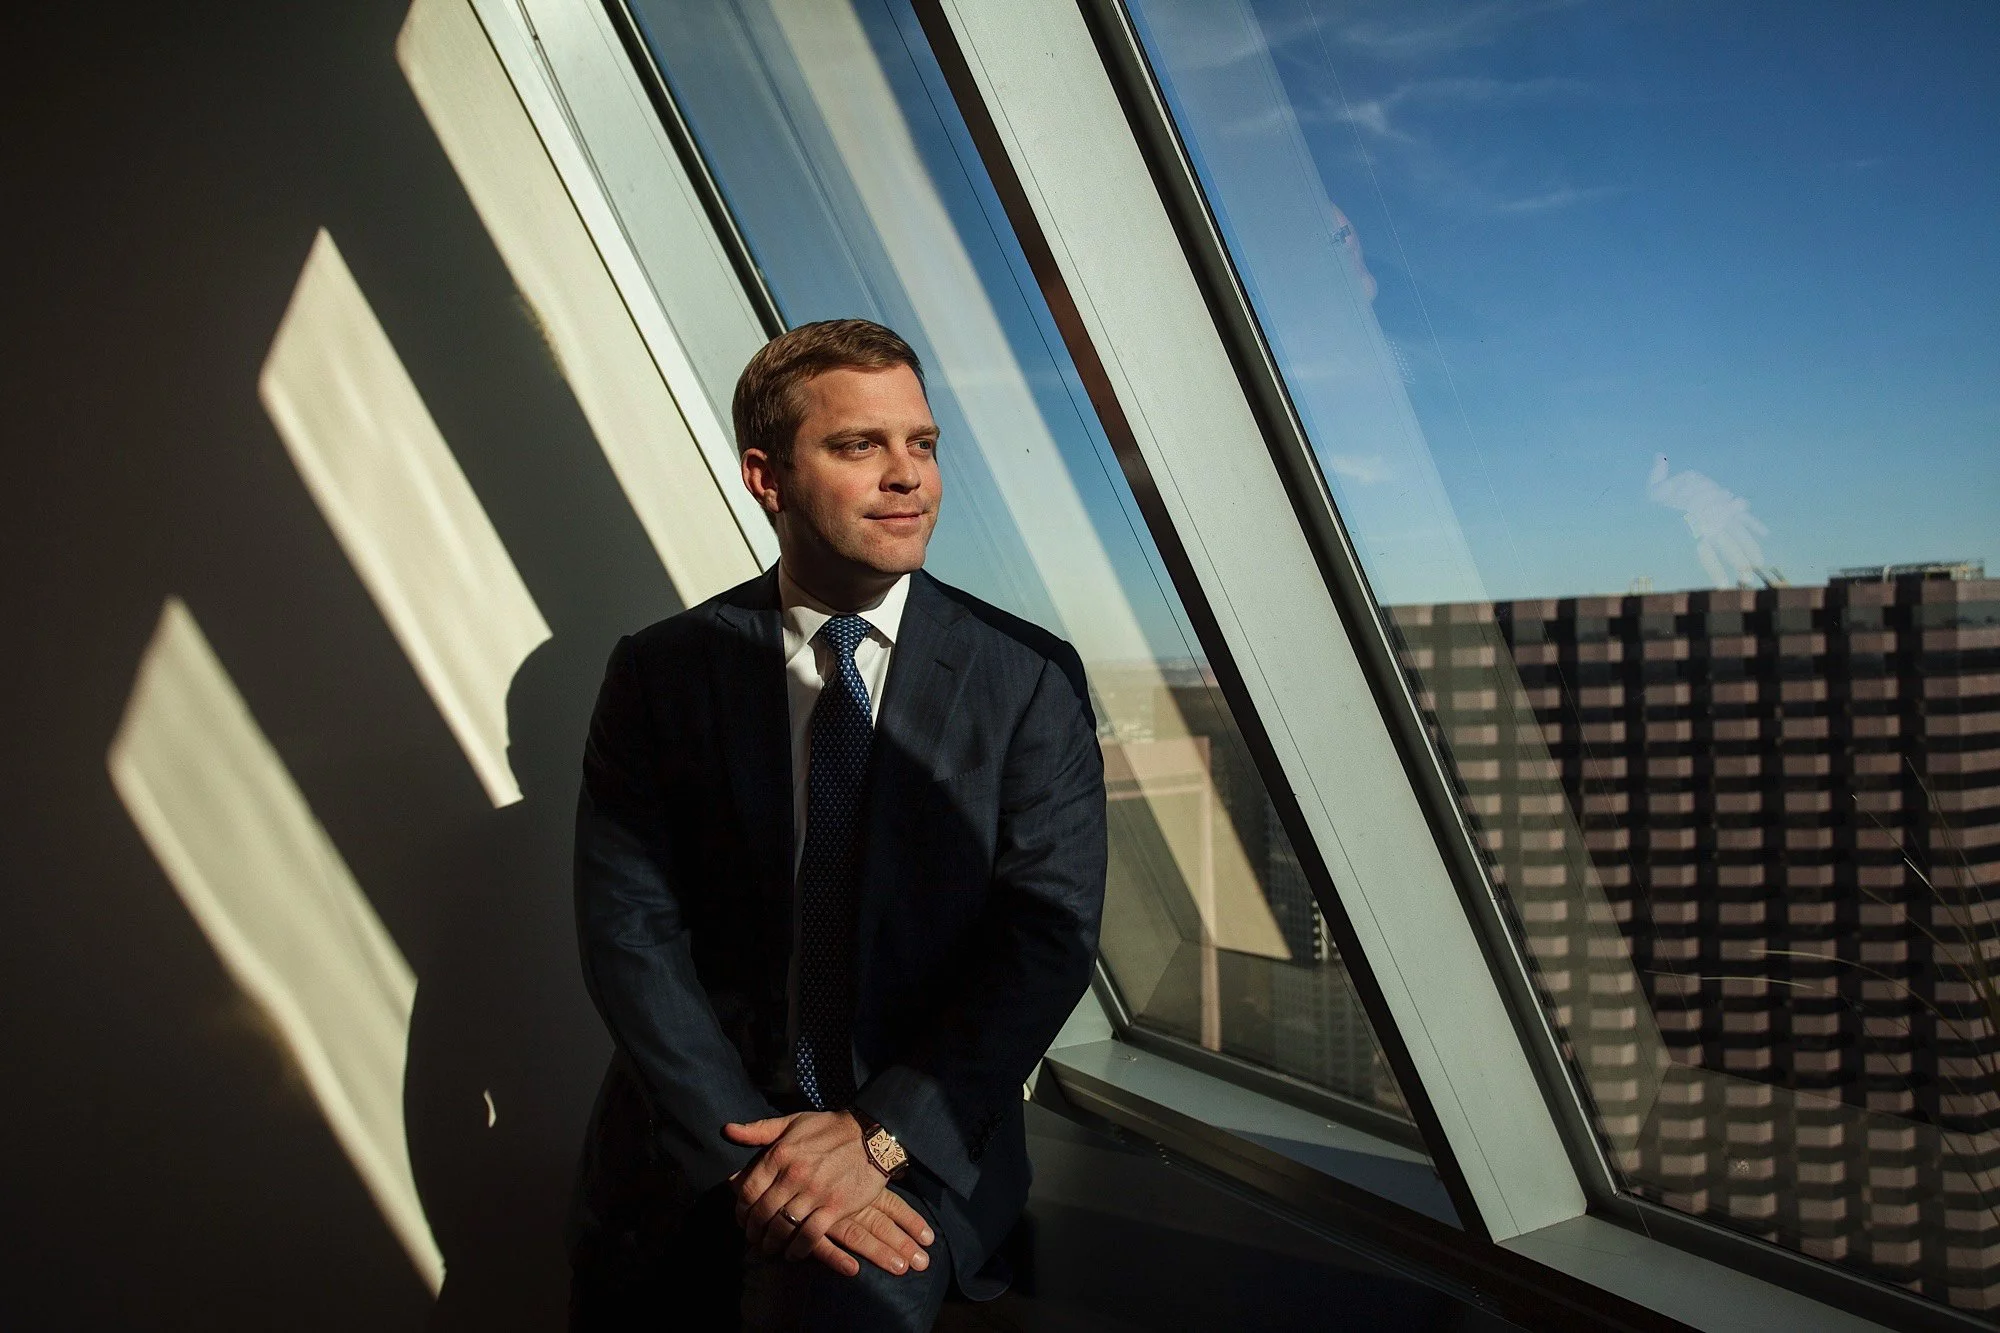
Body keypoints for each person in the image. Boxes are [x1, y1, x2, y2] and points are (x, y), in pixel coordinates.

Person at [566, 318, 1108, 1331]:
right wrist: (753, 1160)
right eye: (859, 445)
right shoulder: (661, 672)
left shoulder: (1026, 676)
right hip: (695, 1141)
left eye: (923, 444)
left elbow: (1044, 939)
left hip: (914, 1149)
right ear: (766, 478)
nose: (908, 475)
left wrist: (871, 1139)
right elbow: (627, 930)